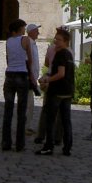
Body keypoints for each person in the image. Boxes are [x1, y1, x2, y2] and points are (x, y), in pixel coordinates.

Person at [36, 27, 75, 157]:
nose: (55, 41)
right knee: (66, 120)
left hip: (57, 90)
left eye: (58, 39)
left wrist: (48, 80)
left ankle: (48, 146)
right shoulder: (69, 53)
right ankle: (67, 147)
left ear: (65, 41)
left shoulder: (61, 54)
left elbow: (61, 73)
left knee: (50, 119)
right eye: (55, 39)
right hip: (68, 91)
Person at [2, 19, 36, 152]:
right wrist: (32, 76)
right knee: (21, 112)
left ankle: (6, 142)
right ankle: (20, 143)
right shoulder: (26, 40)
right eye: (23, 27)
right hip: (22, 75)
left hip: (9, 75)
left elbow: (8, 59)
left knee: (8, 110)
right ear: (20, 29)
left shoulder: (8, 41)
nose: (24, 29)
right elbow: (30, 60)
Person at [25, 23, 41, 134]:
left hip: (32, 77)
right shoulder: (28, 44)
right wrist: (31, 76)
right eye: (36, 31)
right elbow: (28, 61)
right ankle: (25, 126)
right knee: (28, 103)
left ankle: (28, 125)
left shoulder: (33, 43)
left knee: (30, 104)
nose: (38, 33)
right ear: (30, 32)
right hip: (29, 78)